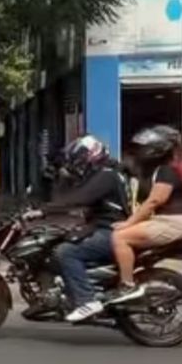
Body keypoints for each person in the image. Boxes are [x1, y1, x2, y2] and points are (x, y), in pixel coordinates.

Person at [36, 135, 130, 323]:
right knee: (61, 241)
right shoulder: (106, 174)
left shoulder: (106, 175)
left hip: (109, 231)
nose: (78, 167)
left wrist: (43, 210)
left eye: (81, 161)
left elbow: (79, 198)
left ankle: (86, 301)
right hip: (102, 227)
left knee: (66, 252)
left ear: (93, 156)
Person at [109, 126, 182, 307]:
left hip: (171, 223)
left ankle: (127, 285)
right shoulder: (154, 171)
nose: (139, 152)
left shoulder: (167, 171)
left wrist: (128, 224)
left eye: (143, 148)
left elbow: (154, 202)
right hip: (161, 221)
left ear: (157, 150)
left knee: (120, 237)